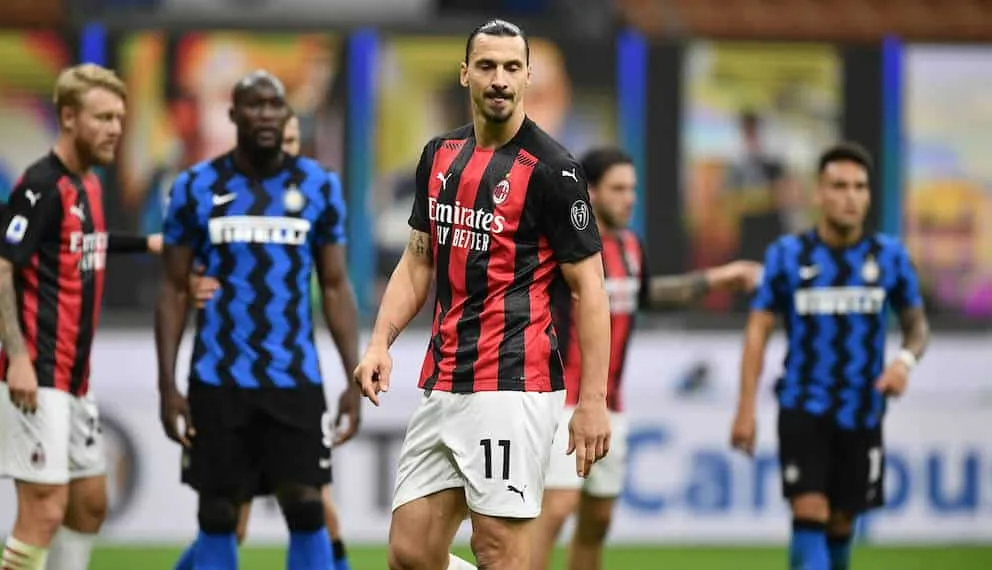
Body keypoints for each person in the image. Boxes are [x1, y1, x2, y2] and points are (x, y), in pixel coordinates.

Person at [354, 19, 612, 570]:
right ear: (465, 73)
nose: (500, 79)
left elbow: (590, 289)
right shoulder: (439, 155)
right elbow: (418, 258)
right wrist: (380, 342)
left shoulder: (555, 170)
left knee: (498, 548)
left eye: (512, 68)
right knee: (410, 552)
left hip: (513, 384)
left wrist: (592, 402)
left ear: (527, 78)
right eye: (489, 66)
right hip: (444, 377)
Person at [156, 70, 361, 570]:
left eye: (276, 105)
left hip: (292, 376)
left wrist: (353, 378)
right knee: (219, 512)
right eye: (254, 105)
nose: (266, 114)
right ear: (233, 114)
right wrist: (167, 385)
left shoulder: (319, 186)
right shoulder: (195, 186)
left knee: (308, 505)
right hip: (217, 378)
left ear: (287, 116)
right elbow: (174, 289)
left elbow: (335, 285)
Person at [530, 146, 763, 570]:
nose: (629, 198)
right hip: (561, 401)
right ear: (591, 193)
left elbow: (648, 295)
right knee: (556, 509)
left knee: (598, 519)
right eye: (618, 189)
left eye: (632, 189)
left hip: (610, 404)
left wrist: (717, 278)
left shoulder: (631, 246)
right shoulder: (563, 244)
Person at [730, 142, 931, 570]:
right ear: (819, 193)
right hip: (803, 405)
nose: (850, 196)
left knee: (841, 526)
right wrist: (745, 407)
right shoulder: (788, 255)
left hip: (863, 410)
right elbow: (758, 330)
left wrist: (903, 363)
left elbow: (917, 325)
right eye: (839, 186)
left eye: (860, 187)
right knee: (809, 513)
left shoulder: (889, 257)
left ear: (870, 195)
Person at [0, 64, 132, 570]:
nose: (114, 128)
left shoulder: (88, 185)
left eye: (119, 118)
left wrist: (152, 244)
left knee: (89, 504)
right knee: (43, 513)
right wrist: (19, 358)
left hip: (73, 380)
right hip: (36, 375)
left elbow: (77, 246)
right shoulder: (40, 185)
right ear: (68, 117)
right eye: (102, 117)